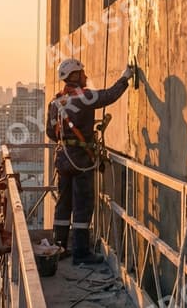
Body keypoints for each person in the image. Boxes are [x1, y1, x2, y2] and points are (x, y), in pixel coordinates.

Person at [49, 58, 134, 264]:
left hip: (63, 159)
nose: (86, 76)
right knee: (83, 204)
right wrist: (125, 77)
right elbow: (109, 95)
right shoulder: (84, 98)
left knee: (63, 203)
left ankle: (59, 246)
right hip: (80, 160)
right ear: (75, 75)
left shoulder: (55, 102)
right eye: (82, 73)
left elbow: (51, 133)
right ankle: (80, 252)